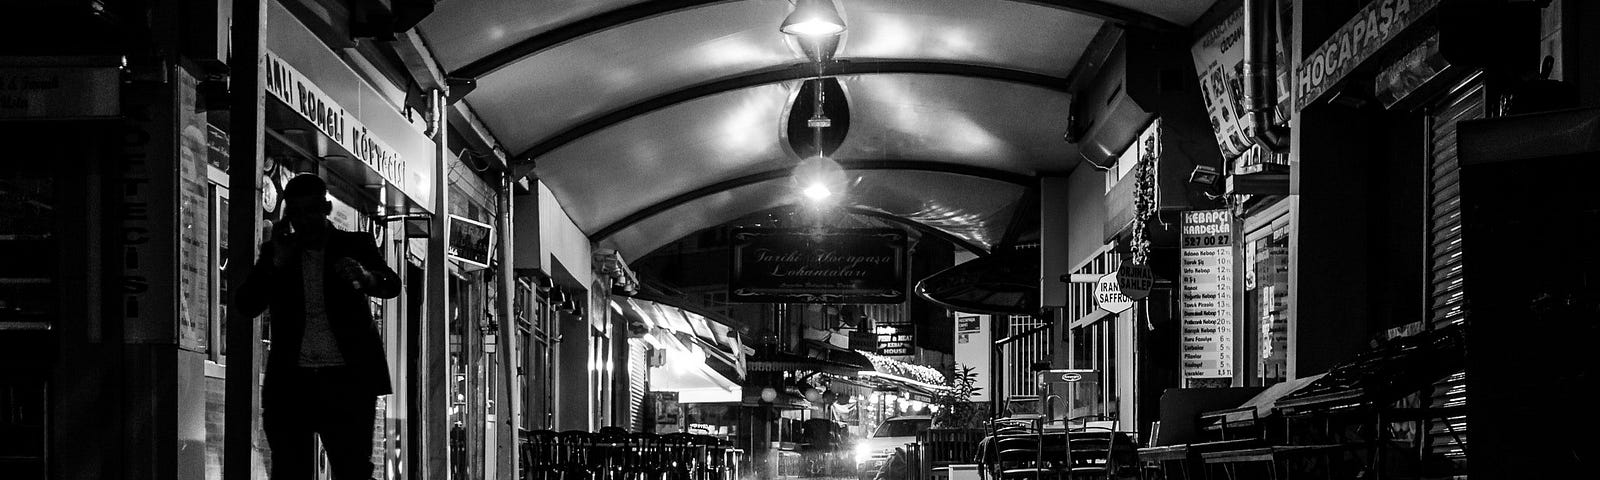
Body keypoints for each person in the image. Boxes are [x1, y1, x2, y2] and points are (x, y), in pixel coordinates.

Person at [234, 174, 402, 480]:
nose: (304, 220)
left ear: (325, 208)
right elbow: (246, 304)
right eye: (296, 213)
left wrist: (366, 277)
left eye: (311, 210)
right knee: (289, 469)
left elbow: (391, 284)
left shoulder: (354, 244)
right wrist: (274, 264)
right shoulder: (279, 253)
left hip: (346, 382)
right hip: (292, 383)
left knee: (352, 469)